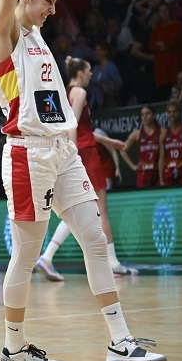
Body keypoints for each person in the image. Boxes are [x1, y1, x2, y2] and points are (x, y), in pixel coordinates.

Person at [0, 0, 165, 361]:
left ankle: (120, 342)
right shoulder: (4, 33)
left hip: (63, 152)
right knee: (26, 254)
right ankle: (14, 350)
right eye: (47, 1)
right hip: (27, 155)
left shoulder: (39, 32)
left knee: (93, 237)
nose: (54, 7)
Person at [35, 57, 137, 282]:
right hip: (86, 155)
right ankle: (112, 263)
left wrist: (109, 142)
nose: (92, 74)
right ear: (80, 72)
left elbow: (80, 129)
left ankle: (48, 256)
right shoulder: (80, 93)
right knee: (99, 209)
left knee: (80, 211)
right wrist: (71, 155)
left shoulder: (64, 91)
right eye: (89, 70)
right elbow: (72, 126)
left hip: (82, 149)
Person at [120, 106, 161, 187]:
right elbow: (122, 150)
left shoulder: (161, 132)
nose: (145, 117)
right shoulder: (137, 133)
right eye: (142, 115)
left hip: (158, 171)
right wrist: (133, 166)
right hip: (143, 173)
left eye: (147, 114)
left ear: (154, 115)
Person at [160, 100, 182, 186]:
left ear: (180, 113)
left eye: (174, 112)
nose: (172, 114)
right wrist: (161, 179)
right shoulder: (164, 133)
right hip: (169, 172)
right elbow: (162, 158)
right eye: (169, 112)